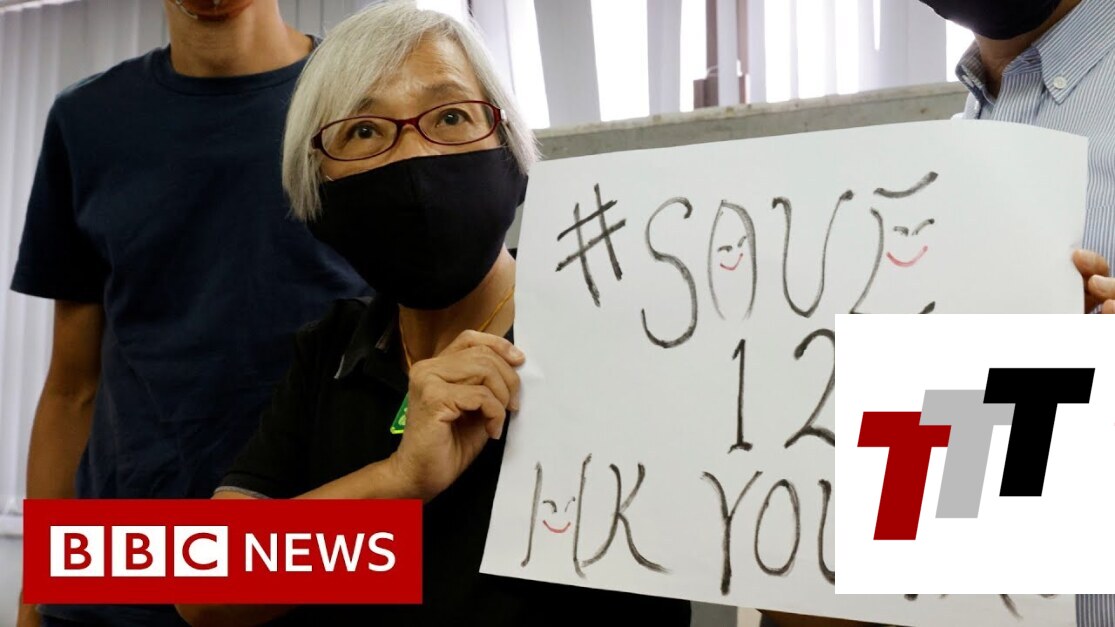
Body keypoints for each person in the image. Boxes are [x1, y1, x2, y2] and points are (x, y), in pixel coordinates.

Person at [172, 3, 692, 626]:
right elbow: (203, 593)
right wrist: (398, 482)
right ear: (317, 187)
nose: (413, 157)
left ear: (509, 146)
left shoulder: (635, 333)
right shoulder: (333, 351)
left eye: (450, 116)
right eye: (364, 130)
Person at [11, 1, 367, 626]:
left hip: (316, 558)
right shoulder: (88, 119)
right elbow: (71, 387)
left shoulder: (366, 102)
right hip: (121, 570)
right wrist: (35, 590)